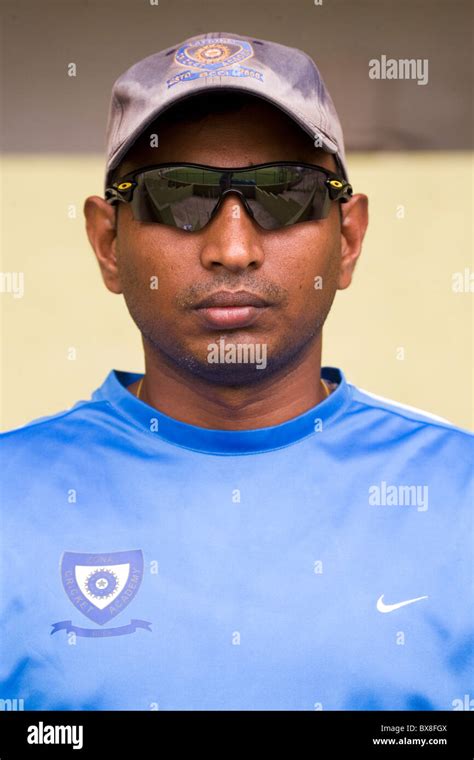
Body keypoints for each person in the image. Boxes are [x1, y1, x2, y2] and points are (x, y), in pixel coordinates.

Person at [1, 32, 472, 712]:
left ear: (348, 240)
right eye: (179, 196)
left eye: (283, 194)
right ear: (108, 244)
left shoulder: (461, 503)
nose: (232, 249)